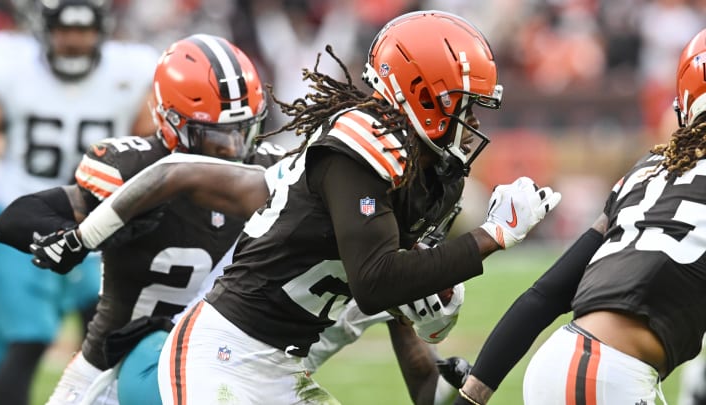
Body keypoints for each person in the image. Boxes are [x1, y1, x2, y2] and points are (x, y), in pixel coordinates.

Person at [28, 10, 561, 404]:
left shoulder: (420, 171)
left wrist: (437, 314)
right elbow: (376, 280)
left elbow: (407, 305)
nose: (470, 121)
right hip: (226, 354)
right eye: (461, 105)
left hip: (285, 366)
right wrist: (491, 237)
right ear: (421, 93)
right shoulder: (360, 144)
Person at [0, 33, 277, 404]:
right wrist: (79, 237)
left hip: (217, 367)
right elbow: (15, 218)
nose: (233, 152)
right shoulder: (136, 171)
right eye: (214, 138)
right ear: (170, 122)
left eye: (244, 132)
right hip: (112, 369)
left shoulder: (269, 170)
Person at [455, 27, 706, 405]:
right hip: (605, 375)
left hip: (578, 363)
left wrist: (470, 398)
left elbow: (545, 295)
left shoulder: (647, 170)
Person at [0, 0, 158, 403]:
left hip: (99, 215)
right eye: (65, 30)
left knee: (107, 331)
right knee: (28, 339)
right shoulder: (9, 62)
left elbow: (151, 142)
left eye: (83, 30)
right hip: (21, 207)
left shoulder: (131, 70)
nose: (74, 41)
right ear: (45, 28)